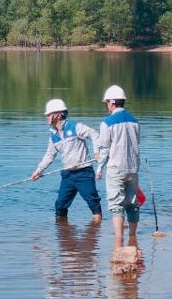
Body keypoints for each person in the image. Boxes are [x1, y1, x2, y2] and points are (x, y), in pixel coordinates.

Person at [31, 98, 102, 221]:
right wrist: (38, 171)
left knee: (93, 203)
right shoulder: (53, 136)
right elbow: (49, 156)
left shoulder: (76, 127)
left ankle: (95, 234)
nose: (46, 117)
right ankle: (63, 236)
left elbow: (94, 134)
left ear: (58, 115)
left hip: (84, 173)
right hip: (68, 175)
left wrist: (96, 152)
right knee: (60, 206)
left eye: (48, 114)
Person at [94, 84, 141, 248]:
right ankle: (133, 237)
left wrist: (99, 169)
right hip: (133, 169)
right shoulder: (135, 121)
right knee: (132, 204)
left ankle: (119, 240)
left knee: (116, 206)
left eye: (106, 102)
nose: (106, 106)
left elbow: (105, 149)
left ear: (112, 103)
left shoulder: (106, 123)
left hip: (116, 169)